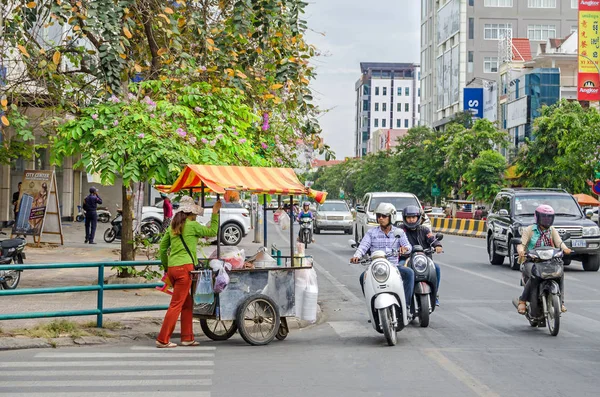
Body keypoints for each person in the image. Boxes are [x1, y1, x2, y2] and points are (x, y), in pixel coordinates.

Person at [156, 196, 221, 348]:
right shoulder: (192, 225)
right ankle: (163, 339)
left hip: (172, 269)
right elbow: (212, 231)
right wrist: (215, 213)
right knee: (176, 305)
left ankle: (187, 337)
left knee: (187, 303)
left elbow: (162, 248)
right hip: (185, 269)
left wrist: (166, 266)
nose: (197, 215)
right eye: (195, 213)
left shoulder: (173, 226)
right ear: (191, 213)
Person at [350, 203, 414, 310]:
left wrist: (405, 249)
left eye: (384, 216)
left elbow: (408, 246)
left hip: (393, 267)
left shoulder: (398, 232)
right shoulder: (371, 233)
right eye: (378, 216)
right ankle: (372, 307)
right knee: (362, 278)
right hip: (375, 267)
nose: (380, 218)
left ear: (391, 217)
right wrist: (357, 255)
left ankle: (406, 305)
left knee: (409, 273)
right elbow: (363, 246)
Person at [516, 204, 571, 315]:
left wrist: (566, 249)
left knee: (560, 274)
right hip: (532, 261)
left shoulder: (552, 230)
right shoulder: (529, 230)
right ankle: (522, 300)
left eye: (549, 217)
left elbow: (559, 242)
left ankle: (561, 302)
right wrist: (521, 251)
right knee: (534, 275)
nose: (547, 220)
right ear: (538, 217)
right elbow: (521, 244)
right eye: (544, 217)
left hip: (549, 261)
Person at [399, 205, 443, 306]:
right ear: (404, 218)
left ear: (418, 218)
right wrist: (399, 249)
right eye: (408, 218)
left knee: (436, 268)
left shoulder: (424, 230)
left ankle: (434, 293)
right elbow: (394, 241)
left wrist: (438, 245)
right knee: (400, 269)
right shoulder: (400, 230)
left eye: (413, 217)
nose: (411, 220)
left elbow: (432, 239)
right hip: (406, 259)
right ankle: (402, 295)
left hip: (423, 260)